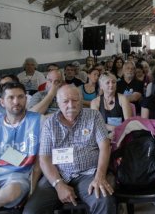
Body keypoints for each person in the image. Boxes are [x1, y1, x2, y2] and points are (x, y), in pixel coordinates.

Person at [23, 85, 116, 214]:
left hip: (88, 174)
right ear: (58, 103)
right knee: (31, 210)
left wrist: (100, 176)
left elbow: (105, 146)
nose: (71, 105)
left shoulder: (93, 116)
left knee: (104, 200)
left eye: (75, 100)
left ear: (81, 100)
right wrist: (58, 184)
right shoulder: (49, 123)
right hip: (57, 174)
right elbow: (44, 159)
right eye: (66, 101)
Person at [0, 82, 42, 211]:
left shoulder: (39, 121)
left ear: (26, 99)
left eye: (21, 97)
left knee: (11, 192)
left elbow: (39, 164)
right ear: (2, 102)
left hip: (19, 178)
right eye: (11, 97)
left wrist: (32, 192)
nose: (16, 101)